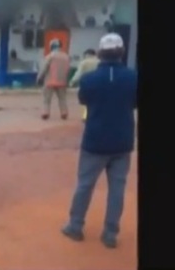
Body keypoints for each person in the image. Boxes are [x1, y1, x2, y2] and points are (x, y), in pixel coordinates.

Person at [61, 33, 137, 249]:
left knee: (85, 185)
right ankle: (110, 233)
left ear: (100, 53)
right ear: (121, 52)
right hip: (122, 141)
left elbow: (84, 99)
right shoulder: (133, 77)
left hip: (95, 141)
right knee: (117, 189)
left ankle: (75, 226)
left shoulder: (89, 79)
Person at [36, 39, 71, 120]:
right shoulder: (66, 56)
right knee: (62, 98)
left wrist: (39, 78)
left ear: (51, 47)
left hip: (50, 81)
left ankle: (46, 113)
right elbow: (68, 69)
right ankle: (64, 112)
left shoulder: (50, 56)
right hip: (62, 81)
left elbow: (44, 68)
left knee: (47, 99)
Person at [70, 49, 100, 121]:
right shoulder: (100, 62)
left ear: (87, 54)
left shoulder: (84, 62)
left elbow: (79, 73)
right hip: (99, 83)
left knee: (86, 100)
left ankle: (85, 116)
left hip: (87, 83)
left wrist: (72, 81)